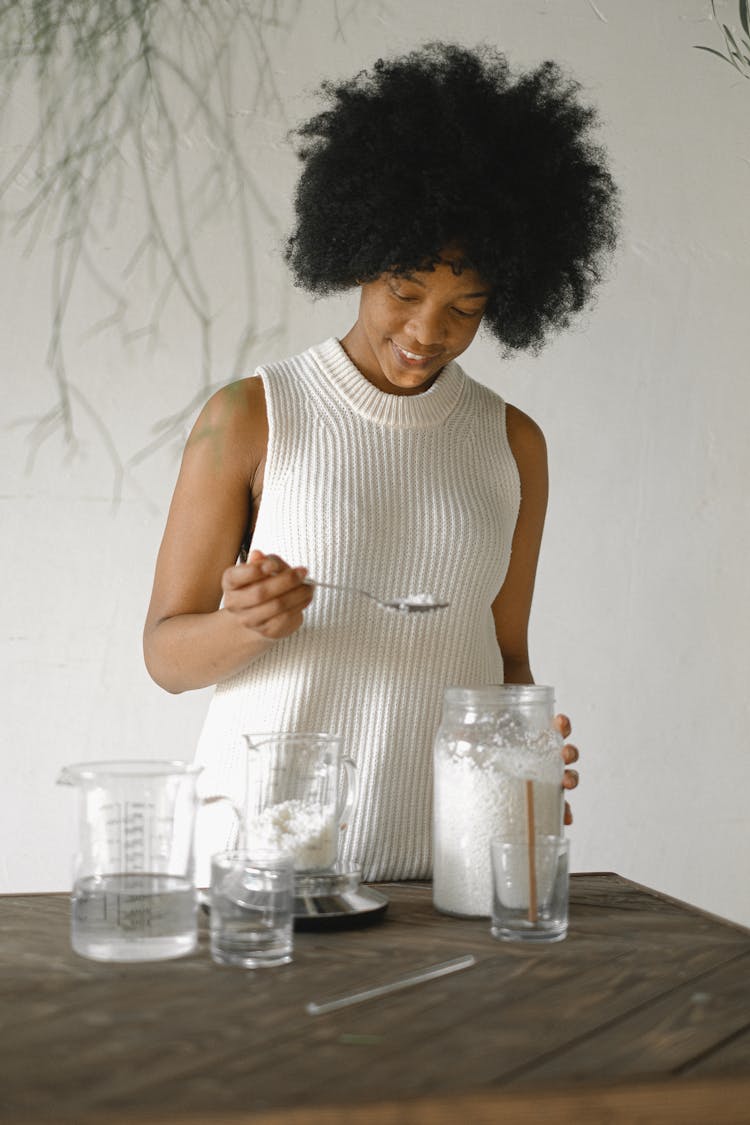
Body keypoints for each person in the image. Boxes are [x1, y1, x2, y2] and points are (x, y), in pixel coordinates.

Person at [144, 42, 618, 883]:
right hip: (261, 868)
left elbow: (503, 658)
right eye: (404, 290)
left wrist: (527, 760)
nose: (428, 330)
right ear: (359, 252)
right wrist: (243, 623)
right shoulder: (250, 416)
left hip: (446, 871)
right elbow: (166, 657)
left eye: (466, 309)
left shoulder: (513, 443)